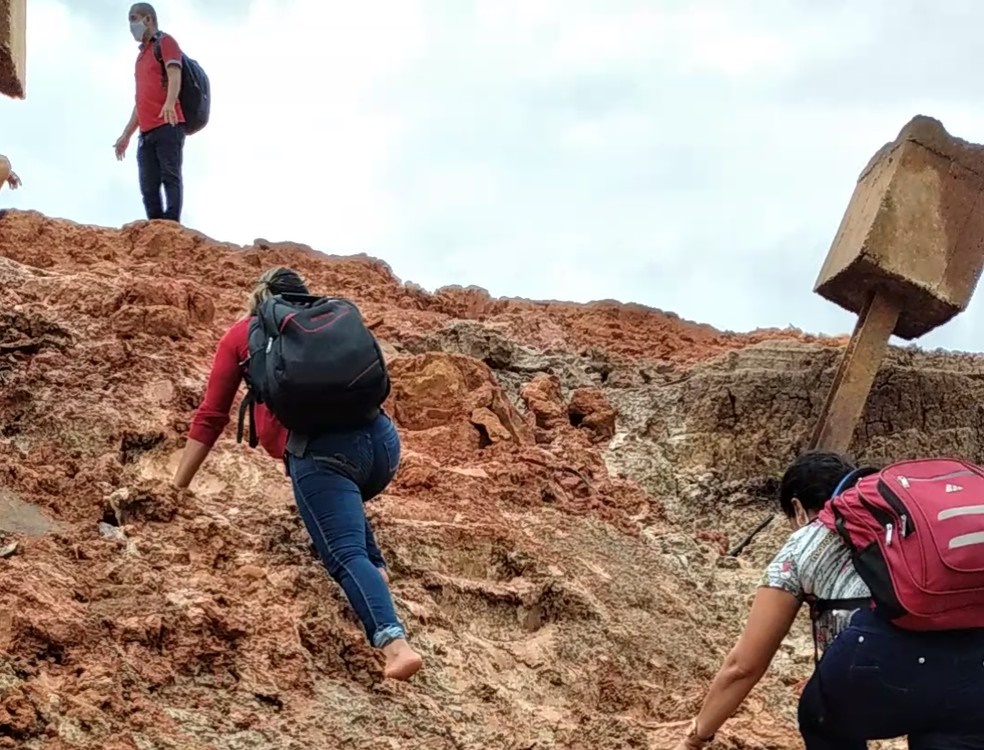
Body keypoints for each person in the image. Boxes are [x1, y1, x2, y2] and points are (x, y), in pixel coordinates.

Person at [172, 266, 423, 681]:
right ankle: (376, 579)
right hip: (382, 445)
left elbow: (212, 415)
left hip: (322, 456)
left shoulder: (243, 335)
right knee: (350, 529)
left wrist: (177, 486)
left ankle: (394, 644)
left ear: (259, 299)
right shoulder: (332, 320)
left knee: (343, 554)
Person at [674, 450, 984, 749]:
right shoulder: (904, 529)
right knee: (945, 725)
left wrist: (696, 738)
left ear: (797, 508)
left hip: (876, 669)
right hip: (973, 668)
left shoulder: (804, 542)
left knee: (821, 716)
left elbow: (744, 665)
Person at [114, 3, 186, 224]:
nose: (131, 25)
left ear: (148, 19)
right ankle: (157, 227)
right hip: (146, 132)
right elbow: (141, 101)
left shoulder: (165, 43)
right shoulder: (141, 57)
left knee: (170, 175)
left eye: (134, 18)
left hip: (168, 123)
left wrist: (169, 103)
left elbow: (175, 74)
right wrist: (126, 135)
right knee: (148, 184)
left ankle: (171, 225)